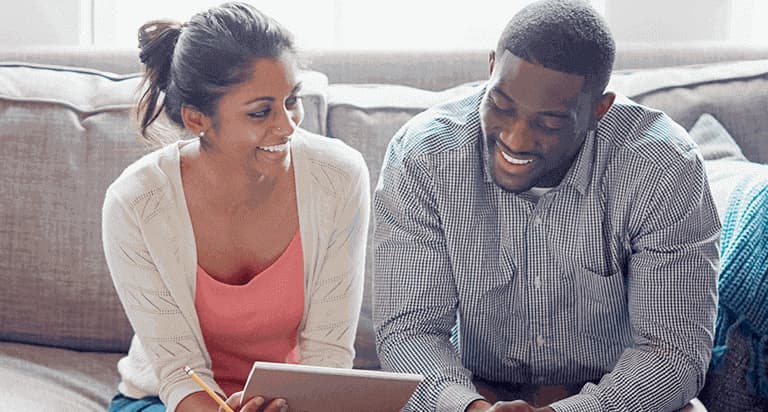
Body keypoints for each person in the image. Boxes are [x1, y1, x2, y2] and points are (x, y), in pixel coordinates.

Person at [373, 1, 720, 411]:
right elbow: (409, 330)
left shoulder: (662, 167)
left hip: (612, 398)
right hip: (475, 395)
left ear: (598, 109)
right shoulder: (424, 157)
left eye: (549, 123)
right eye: (501, 106)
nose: (516, 140)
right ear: (490, 69)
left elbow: (672, 351)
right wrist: (470, 407)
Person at [102, 3, 369, 412]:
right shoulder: (135, 203)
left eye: (291, 99)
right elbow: (178, 372)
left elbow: (329, 355)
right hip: (170, 402)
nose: (287, 126)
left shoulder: (339, 177)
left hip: (287, 404)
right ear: (197, 120)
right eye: (260, 111)